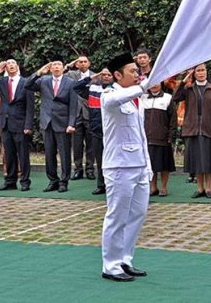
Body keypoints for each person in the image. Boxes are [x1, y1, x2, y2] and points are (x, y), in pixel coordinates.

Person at [100, 52, 151, 282]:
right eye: (132, 71)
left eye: (137, 71)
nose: (137, 74)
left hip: (139, 164)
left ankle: (125, 259)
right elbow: (113, 101)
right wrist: (143, 87)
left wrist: (147, 165)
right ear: (117, 75)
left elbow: (141, 136)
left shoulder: (135, 98)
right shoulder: (109, 95)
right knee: (117, 215)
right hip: (119, 166)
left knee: (137, 214)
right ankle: (110, 265)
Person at [25, 59, 79, 193]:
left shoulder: (71, 83)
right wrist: (39, 73)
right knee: (49, 154)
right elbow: (27, 85)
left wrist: (71, 123)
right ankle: (53, 180)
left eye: (59, 65)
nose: (56, 67)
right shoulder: (44, 80)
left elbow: (74, 105)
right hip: (47, 122)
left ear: (63, 68)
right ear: (50, 68)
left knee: (64, 154)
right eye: (54, 65)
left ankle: (63, 181)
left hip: (63, 122)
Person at [173, 64, 211, 198]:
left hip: (209, 129)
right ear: (194, 73)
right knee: (196, 161)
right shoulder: (189, 89)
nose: (201, 73)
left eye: (203, 70)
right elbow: (175, 97)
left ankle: (208, 188)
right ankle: (200, 188)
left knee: (208, 160)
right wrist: (185, 79)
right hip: (192, 129)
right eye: (198, 71)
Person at [0, 58, 36, 191]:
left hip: (21, 124)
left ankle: (24, 181)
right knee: (9, 154)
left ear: (18, 66)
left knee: (23, 155)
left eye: (13, 63)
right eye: (8, 64)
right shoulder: (2, 82)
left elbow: (30, 106)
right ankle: (10, 181)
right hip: (5, 123)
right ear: (5, 68)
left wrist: (28, 125)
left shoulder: (26, 82)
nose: (11, 66)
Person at [74, 68, 115, 195]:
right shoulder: (93, 89)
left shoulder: (117, 90)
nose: (106, 77)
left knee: (113, 160)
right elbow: (76, 87)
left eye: (109, 74)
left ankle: (112, 185)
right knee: (100, 159)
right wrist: (92, 77)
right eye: (104, 74)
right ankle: (101, 185)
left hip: (112, 132)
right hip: (96, 130)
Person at [142, 82, 177, 197]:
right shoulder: (143, 98)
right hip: (147, 138)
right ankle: (153, 187)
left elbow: (173, 119)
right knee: (150, 165)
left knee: (164, 165)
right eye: (152, 83)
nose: (154, 85)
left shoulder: (167, 98)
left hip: (163, 137)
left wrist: (171, 135)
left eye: (157, 83)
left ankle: (163, 187)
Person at [66, 55, 95, 181]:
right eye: (80, 62)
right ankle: (78, 169)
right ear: (76, 64)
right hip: (75, 114)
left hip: (90, 115)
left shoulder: (95, 76)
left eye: (85, 61)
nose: (82, 64)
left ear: (89, 63)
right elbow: (59, 74)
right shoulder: (71, 75)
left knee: (91, 144)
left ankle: (90, 169)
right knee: (76, 145)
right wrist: (69, 65)